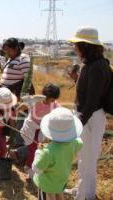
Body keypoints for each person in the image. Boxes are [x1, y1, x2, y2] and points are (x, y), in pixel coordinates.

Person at [67, 27, 112, 200]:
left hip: (90, 117)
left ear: (86, 46)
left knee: (89, 159)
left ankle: (86, 195)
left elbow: (92, 101)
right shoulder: (91, 64)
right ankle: (82, 190)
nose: (75, 48)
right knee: (83, 157)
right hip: (86, 116)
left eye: (77, 45)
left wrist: (79, 122)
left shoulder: (97, 67)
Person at [32, 107, 83, 200]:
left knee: (49, 196)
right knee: (59, 194)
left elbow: (37, 168)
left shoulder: (46, 152)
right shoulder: (74, 142)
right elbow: (80, 142)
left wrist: (39, 151)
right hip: (61, 180)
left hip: (46, 185)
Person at [17, 83, 60, 180]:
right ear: (45, 96)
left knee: (38, 149)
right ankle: (30, 170)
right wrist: (23, 105)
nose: (52, 102)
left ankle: (32, 168)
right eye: (51, 99)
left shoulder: (55, 105)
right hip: (31, 125)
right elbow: (22, 107)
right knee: (33, 149)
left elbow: (60, 112)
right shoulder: (36, 101)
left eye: (54, 100)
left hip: (42, 128)